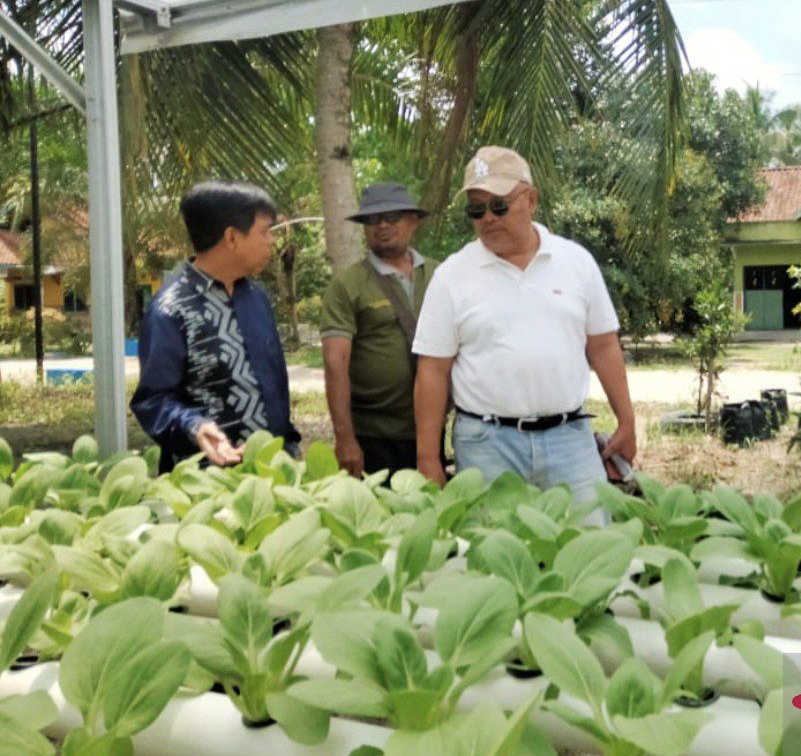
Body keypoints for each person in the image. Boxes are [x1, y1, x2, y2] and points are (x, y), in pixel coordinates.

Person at [411, 146, 636, 510]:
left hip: (570, 442)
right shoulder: (451, 276)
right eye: (476, 209)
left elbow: (604, 346)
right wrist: (428, 461)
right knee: (494, 558)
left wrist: (627, 420)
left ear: (530, 200)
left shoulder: (576, 262)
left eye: (499, 205)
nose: (488, 218)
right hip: (486, 445)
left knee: (588, 550)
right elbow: (432, 372)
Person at [131, 181, 300, 471]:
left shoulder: (256, 297)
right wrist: (195, 427)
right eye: (264, 232)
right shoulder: (171, 310)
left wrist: (288, 444)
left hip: (270, 472)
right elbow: (153, 401)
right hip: (206, 483)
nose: (270, 241)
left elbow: (272, 386)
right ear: (232, 238)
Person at [320, 182, 439, 476]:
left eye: (392, 217)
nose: (382, 225)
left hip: (431, 427)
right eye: (372, 219)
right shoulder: (348, 284)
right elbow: (336, 362)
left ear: (413, 221)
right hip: (373, 434)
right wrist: (345, 439)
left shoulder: (441, 274)